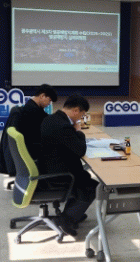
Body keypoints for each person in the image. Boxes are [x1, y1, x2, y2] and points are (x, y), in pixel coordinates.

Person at [38, 94, 97, 237]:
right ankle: (65, 219)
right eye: (82, 114)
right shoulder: (63, 126)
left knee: (85, 177)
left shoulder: (51, 119)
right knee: (92, 186)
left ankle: (73, 214)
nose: (81, 118)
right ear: (76, 110)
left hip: (47, 166)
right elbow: (80, 150)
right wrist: (79, 132)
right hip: (58, 174)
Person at [15, 84, 58, 158]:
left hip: (33, 146)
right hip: (34, 150)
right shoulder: (33, 110)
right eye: (49, 100)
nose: (49, 104)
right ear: (42, 96)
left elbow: (47, 118)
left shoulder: (33, 106)